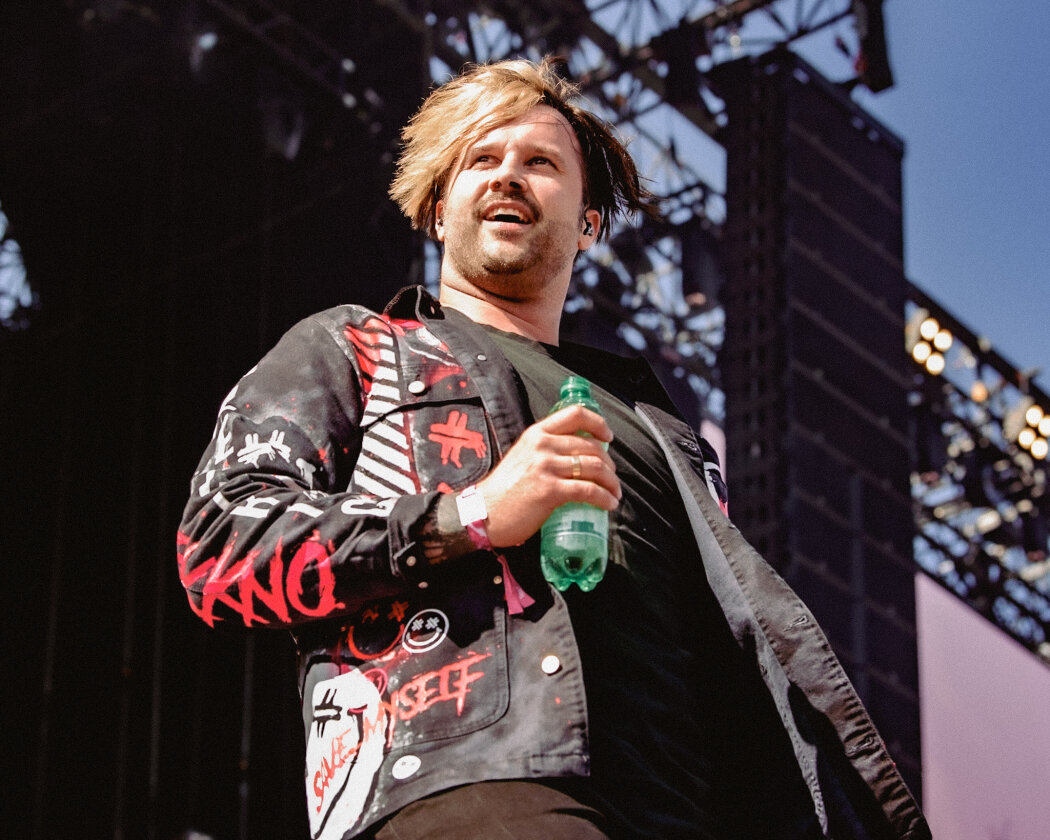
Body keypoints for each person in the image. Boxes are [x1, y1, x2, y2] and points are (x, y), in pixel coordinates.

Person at [177, 58, 929, 840]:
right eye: (481, 159)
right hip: (469, 784)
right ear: (438, 209)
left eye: (540, 162)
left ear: (589, 221)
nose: (508, 177)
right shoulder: (358, 349)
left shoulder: (662, 431)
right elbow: (221, 549)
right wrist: (470, 516)